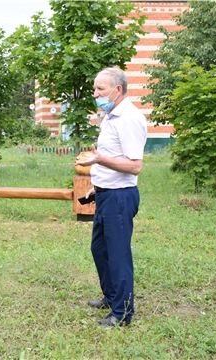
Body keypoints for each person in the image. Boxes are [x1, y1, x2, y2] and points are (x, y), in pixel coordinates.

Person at [76, 67, 147, 327]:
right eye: (95, 89)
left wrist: (99, 159)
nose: (95, 94)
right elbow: (113, 160)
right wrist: (98, 187)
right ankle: (112, 296)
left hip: (120, 198)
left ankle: (122, 313)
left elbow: (134, 166)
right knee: (99, 249)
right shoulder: (111, 116)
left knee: (117, 254)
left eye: (100, 89)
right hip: (107, 194)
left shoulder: (129, 118)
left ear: (117, 89)